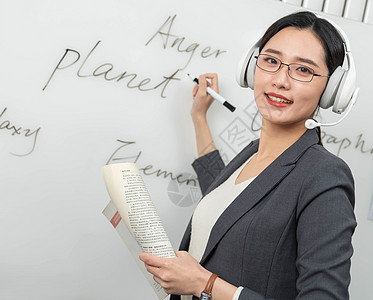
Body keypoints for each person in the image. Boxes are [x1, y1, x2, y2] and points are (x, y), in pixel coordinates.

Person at [140, 11, 357, 300]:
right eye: (271, 61)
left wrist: (205, 285)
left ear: (332, 90)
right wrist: (199, 118)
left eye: (303, 70)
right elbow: (227, 203)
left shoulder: (324, 175)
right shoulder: (253, 152)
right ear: (251, 68)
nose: (280, 80)